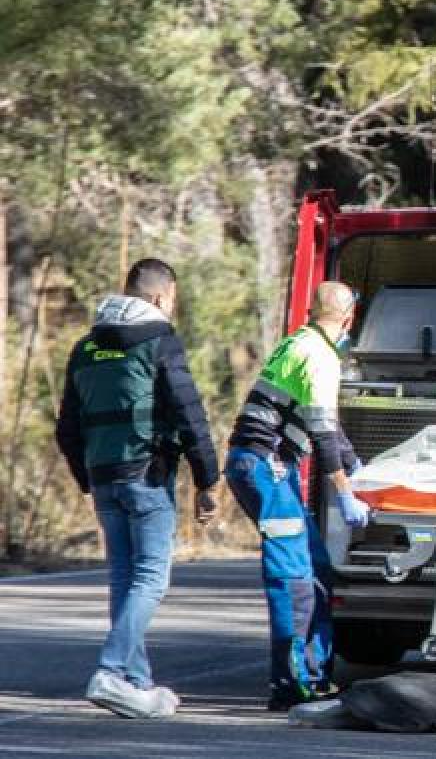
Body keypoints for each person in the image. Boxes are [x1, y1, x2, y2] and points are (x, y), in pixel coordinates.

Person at [55, 258, 220, 719]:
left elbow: (67, 426)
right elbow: (188, 411)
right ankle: (110, 671)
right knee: (151, 578)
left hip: (105, 475)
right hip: (147, 475)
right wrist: (207, 479)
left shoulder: (86, 346)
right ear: (160, 297)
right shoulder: (160, 339)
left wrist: (87, 477)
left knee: (124, 580)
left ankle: (136, 682)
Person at [224, 280, 370, 711]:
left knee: (315, 568)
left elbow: (324, 424)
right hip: (266, 467)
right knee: (294, 580)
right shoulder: (322, 357)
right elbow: (322, 433)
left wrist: (354, 460)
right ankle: (292, 684)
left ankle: (315, 674)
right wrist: (344, 491)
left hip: (260, 466)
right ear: (348, 319)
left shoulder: (299, 344)